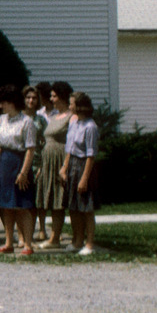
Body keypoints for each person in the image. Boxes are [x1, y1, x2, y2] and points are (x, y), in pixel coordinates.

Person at [0, 84, 36, 256]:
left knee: (22, 206)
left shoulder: (27, 122)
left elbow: (30, 149)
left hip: (19, 163)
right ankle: (8, 242)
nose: (1, 106)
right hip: (3, 165)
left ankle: (28, 244)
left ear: (12, 102)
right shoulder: (1, 120)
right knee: (6, 206)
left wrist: (24, 172)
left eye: (3, 102)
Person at [60, 91, 99, 255]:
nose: (69, 107)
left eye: (72, 104)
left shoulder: (90, 127)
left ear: (80, 106)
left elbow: (91, 155)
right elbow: (70, 149)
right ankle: (77, 241)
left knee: (86, 207)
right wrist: (64, 167)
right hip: (73, 164)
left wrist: (84, 179)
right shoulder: (74, 123)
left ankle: (89, 244)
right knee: (73, 206)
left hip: (84, 166)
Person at [37, 81, 73, 248]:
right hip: (48, 161)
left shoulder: (71, 116)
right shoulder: (54, 116)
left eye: (54, 96)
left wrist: (65, 166)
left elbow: (72, 142)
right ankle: (54, 237)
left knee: (59, 200)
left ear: (62, 97)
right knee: (51, 199)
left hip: (60, 160)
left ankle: (55, 238)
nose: (51, 99)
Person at [23, 85, 49, 242]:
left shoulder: (41, 119)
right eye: (28, 98)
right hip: (23, 162)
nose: (31, 100)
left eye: (34, 98)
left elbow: (46, 141)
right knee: (26, 199)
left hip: (38, 162)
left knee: (39, 199)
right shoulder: (19, 118)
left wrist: (42, 165)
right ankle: (26, 231)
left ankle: (42, 229)